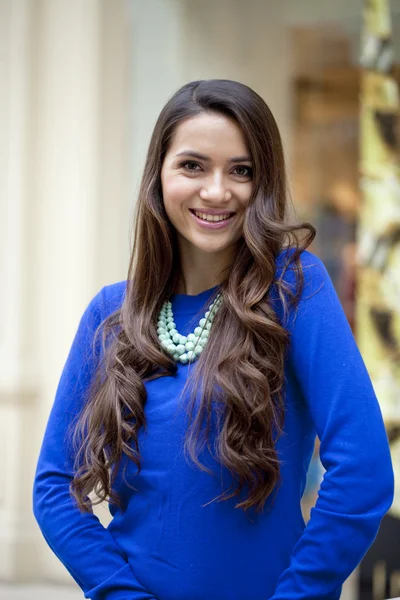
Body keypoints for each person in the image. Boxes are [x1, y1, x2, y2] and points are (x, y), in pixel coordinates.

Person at [32, 79, 394, 600]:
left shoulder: (294, 288)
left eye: (241, 170)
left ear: (262, 182)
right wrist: (120, 593)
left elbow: (363, 474)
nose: (217, 190)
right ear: (159, 174)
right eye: (193, 165)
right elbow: (56, 489)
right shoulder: (110, 313)